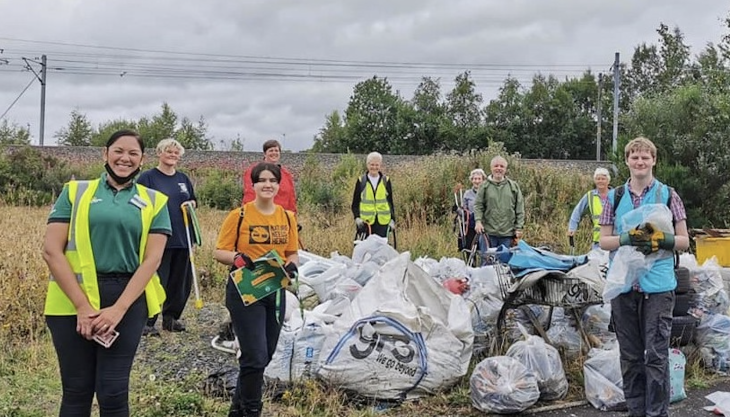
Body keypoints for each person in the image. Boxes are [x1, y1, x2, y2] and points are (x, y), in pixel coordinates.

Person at [42, 129, 171, 416]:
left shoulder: (156, 201)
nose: (125, 158)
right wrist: (82, 306)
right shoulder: (74, 192)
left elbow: (152, 260)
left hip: (126, 299)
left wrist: (118, 310)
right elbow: (52, 250)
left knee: (113, 392)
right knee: (76, 391)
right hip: (70, 300)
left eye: (133, 153)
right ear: (105, 153)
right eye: (118, 151)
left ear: (142, 160)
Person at [599, 136, 689, 417]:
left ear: (654, 160)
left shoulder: (668, 195)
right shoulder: (614, 197)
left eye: (645, 157)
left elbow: (684, 240)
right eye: (635, 157)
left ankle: (657, 413)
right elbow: (604, 241)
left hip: (659, 287)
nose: (640, 162)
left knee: (656, 355)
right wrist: (625, 238)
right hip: (625, 286)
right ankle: (637, 412)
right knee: (630, 357)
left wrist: (663, 240)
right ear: (627, 161)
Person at [214, 162, 299, 417]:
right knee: (254, 355)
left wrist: (292, 266)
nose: (267, 185)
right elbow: (219, 251)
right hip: (245, 291)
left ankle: (237, 411)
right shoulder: (239, 215)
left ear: (278, 185)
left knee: (265, 354)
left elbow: (292, 252)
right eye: (262, 180)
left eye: (272, 180)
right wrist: (237, 258)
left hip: (273, 291)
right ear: (253, 185)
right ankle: (252, 410)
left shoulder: (286, 217)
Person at [137, 138, 197, 335]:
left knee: (180, 282)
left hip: (183, 236)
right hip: (158, 237)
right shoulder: (148, 178)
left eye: (175, 152)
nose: (172, 155)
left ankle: (171, 319)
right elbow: (138, 203)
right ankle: (148, 320)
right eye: (168, 152)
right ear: (159, 153)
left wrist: (192, 205)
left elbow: (193, 200)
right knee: (156, 279)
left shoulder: (183, 179)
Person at [474, 156, 525, 248]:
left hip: (507, 234)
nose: (499, 168)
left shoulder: (513, 186)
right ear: (491, 168)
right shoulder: (484, 186)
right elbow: (478, 205)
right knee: (487, 261)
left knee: (504, 261)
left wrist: (519, 228)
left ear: (505, 169)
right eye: (496, 166)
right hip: (488, 233)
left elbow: (519, 208)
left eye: (502, 166)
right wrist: (478, 221)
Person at [242, 139, 297, 213]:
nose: (274, 153)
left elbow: (291, 198)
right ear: (265, 153)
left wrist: (292, 217)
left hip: (281, 216)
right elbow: (250, 194)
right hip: (259, 215)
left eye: (276, 151)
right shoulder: (253, 171)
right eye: (271, 150)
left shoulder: (286, 174)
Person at [351, 152, 395, 239]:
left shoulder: (386, 181)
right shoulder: (361, 181)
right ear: (367, 165)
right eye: (372, 164)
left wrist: (393, 219)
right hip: (366, 223)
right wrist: (357, 218)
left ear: (380, 165)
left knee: (381, 249)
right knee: (367, 249)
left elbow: (390, 202)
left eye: (377, 165)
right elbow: (355, 203)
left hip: (382, 222)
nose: (374, 167)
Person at [567, 167, 611, 250]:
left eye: (603, 179)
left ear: (608, 181)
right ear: (595, 181)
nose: (600, 181)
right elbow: (577, 211)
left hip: (613, 238)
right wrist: (572, 228)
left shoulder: (615, 194)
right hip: (598, 240)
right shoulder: (590, 196)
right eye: (598, 179)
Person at [457, 168, 487, 251]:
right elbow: (464, 211)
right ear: (471, 180)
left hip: (484, 225)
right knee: (469, 248)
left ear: (483, 180)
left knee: (484, 248)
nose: (477, 181)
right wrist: (457, 210)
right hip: (471, 225)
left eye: (479, 179)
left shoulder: (487, 192)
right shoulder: (467, 193)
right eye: (474, 179)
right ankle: (471, 263)